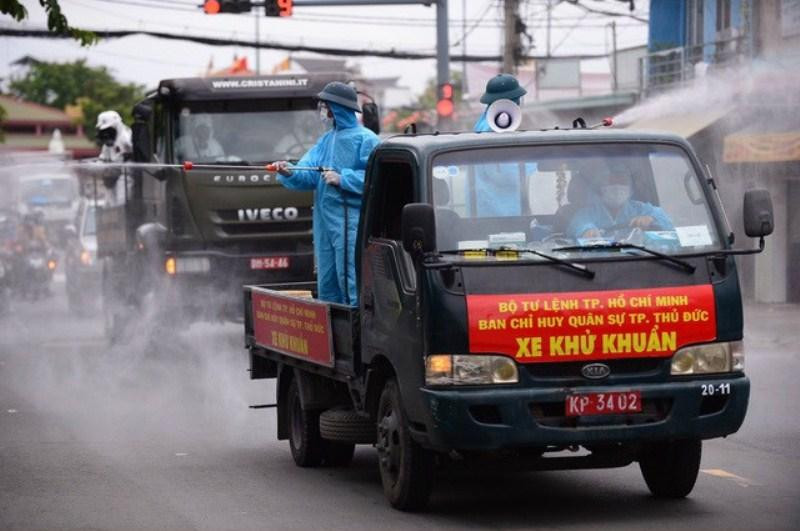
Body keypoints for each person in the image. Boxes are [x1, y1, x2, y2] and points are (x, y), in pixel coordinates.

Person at [274, 82, 380, 306]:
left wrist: (343, 179)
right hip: (325, 223)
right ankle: (335, 330)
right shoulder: (325, 141)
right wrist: (289, 171)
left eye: (326, 106)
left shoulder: (366, 139)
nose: (323, 112)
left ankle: (355, 328)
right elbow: (309, 172)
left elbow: (376, 179)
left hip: (349, 223)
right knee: (328, 279)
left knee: (351, 276)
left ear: (338, 108)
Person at [472, 74, 528, 217]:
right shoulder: (492, 132)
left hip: (485, 210)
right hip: (502, 213)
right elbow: (511, 177)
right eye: (518, 100)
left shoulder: (481, 124)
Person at [567, 169, 673, 239]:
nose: (617, 187)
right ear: (602, 188)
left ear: (630, 189)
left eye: (622, 183)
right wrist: (587, 230)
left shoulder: (640, 208)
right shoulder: (589, 212)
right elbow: (577, 224)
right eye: (612, 183)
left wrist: (651, 219)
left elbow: (666, 221)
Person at [96, 110, 133, 204]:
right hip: (110, 179)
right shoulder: (108, 143)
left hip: (124, 177)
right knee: (109, 204)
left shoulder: (127, 139)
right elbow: (102, 158)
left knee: (121, 202)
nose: (106, 132)